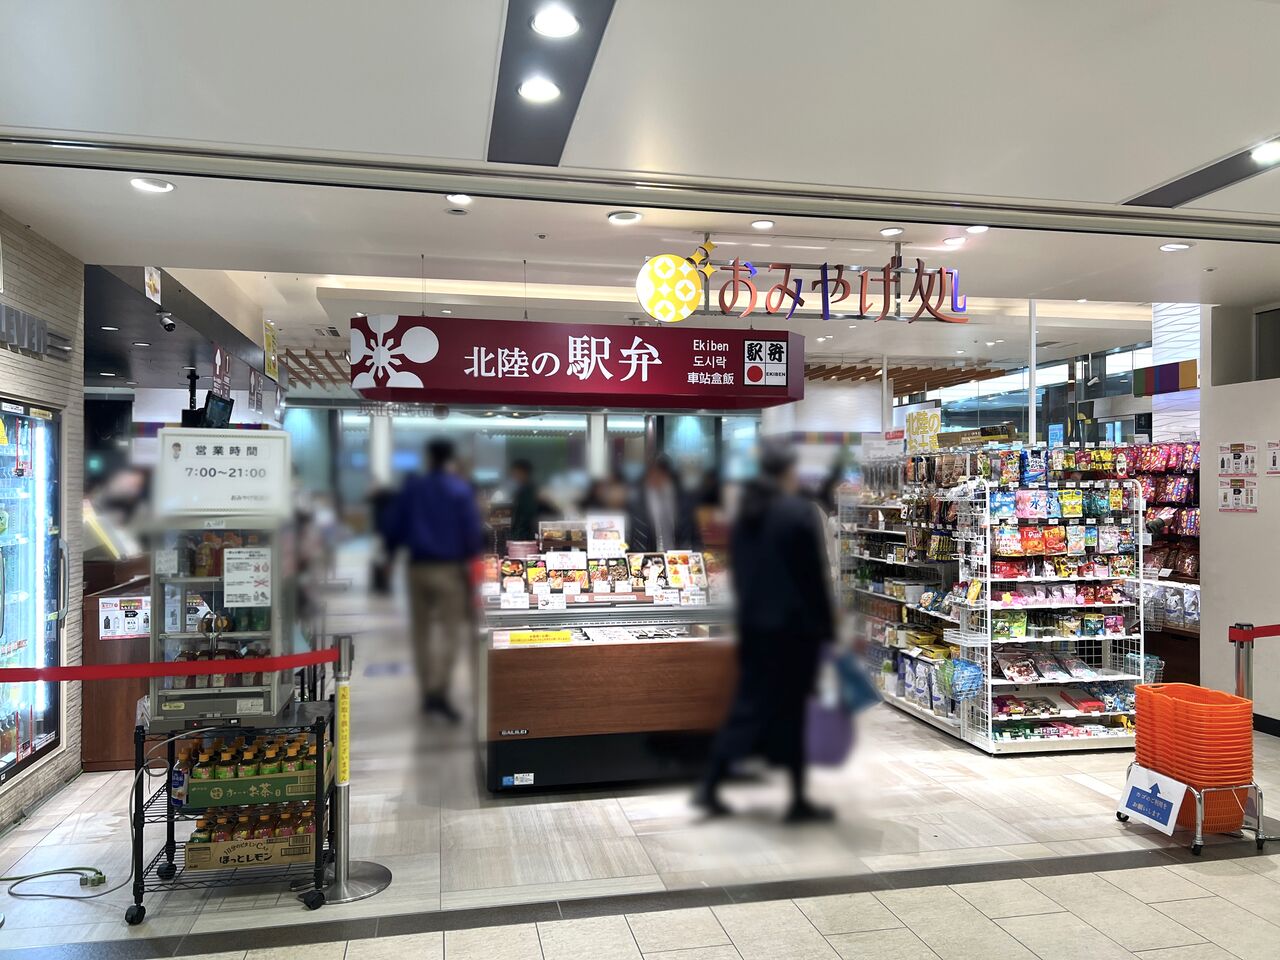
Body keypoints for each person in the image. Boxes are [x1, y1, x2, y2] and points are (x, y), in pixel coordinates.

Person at [695, 440, 836, 824]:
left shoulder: (746, 513)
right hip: (793, 629)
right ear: (788, 471)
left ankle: (710, 785)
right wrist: (826, 628)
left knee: (748, 706)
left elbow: (740, 574)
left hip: (755, 627)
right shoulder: (798, 512)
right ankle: (798, 800)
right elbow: (813, 578)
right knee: (794, 713)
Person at [383, 439, 484, 723]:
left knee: (421, 632)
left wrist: (390, 555)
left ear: (428, 458)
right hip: (450, 569)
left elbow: (395, 525)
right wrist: (472, 562)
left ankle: (427, 692)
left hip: (417, 568)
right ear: (450, 459)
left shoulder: (413, 488)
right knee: (451, 632)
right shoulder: (460, 490)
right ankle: (440, 691)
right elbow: (471, 532)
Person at [627, 455, 701, 552]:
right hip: (649, 554)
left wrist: (695, 551)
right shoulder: (638, 499)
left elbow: (691, 530)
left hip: (678, 554)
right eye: (652, 474)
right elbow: (634, 533)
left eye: (659, 474)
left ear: (667, 474)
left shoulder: (681, 497)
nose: (655, 478)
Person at [507, 458, 541, 542]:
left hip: (524, 536)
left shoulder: (528, 491)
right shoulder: (522, 489)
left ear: (524, 472)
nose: (514, 475)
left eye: (516, 472)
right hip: (522, 534)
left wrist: (515, 536)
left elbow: (526, 516)